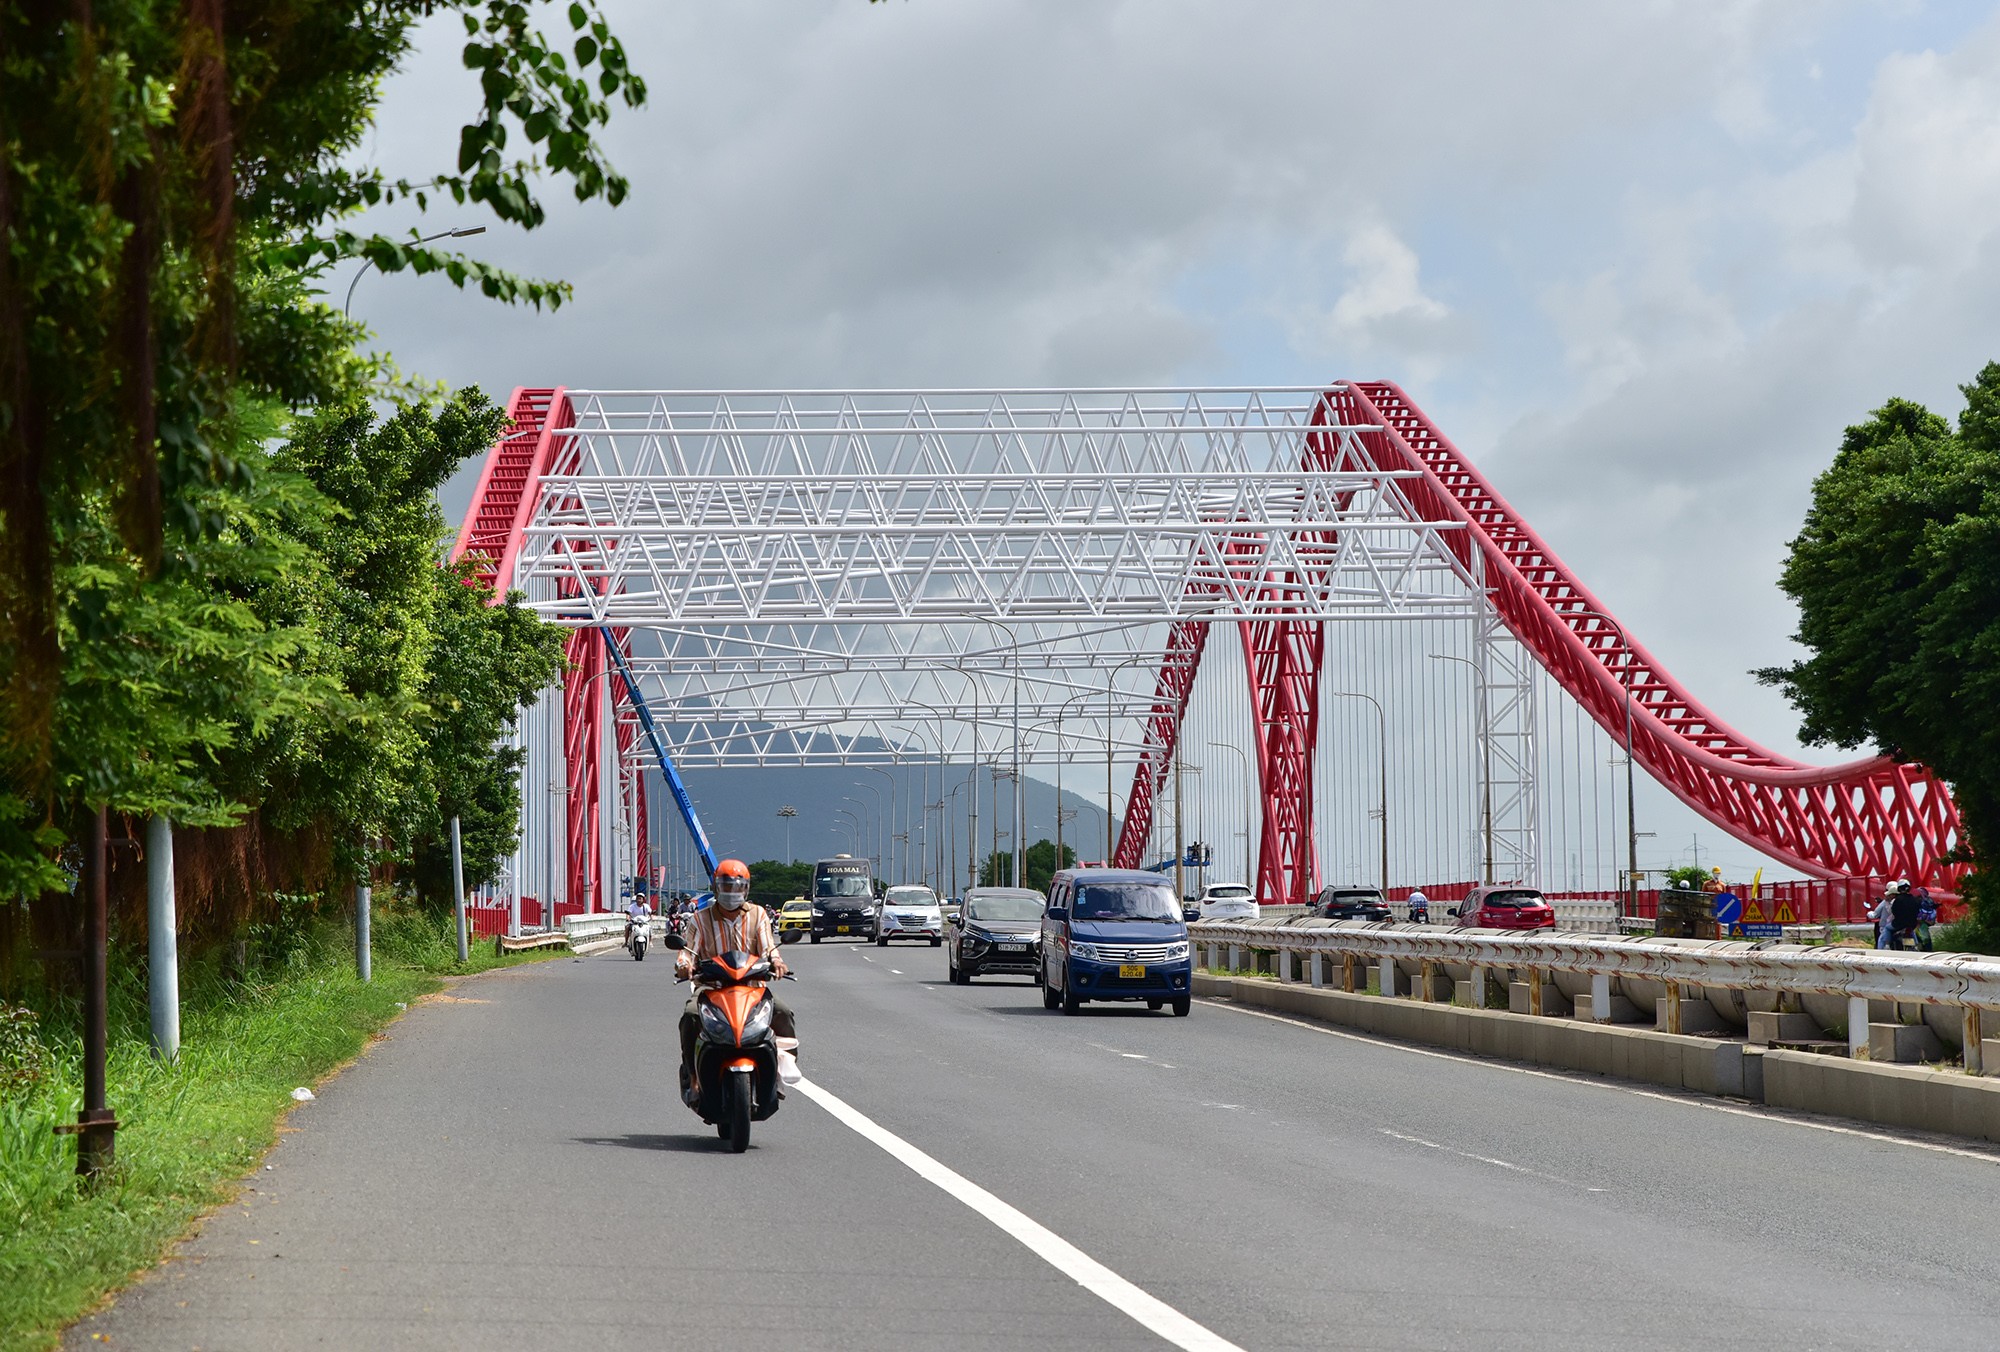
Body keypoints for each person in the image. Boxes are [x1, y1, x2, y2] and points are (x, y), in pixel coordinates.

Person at [675, 858, 795, 1102]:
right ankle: (693, 1077)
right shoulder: (700, 919)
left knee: (783, 1013)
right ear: (716, 888)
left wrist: (778, 962)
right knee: (690, 1016)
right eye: (726, 886)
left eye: (737, 887)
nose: (732, 892)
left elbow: (769, 948)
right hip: (711, 989)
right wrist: (684, 966)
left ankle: (783, 1071)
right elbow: (688, 952)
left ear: (746, 889)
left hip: (753, 988)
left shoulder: (758, 915)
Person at [1887, 881, 1922, 952]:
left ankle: (1883, 946)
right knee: (1911, 931)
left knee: (1887, 928)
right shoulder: (1913, 899)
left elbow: (1894, 911)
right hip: (1912, 924)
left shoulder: (1898, 899)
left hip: (1899, 924)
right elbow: (1917, 910)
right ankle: (1916, 945)